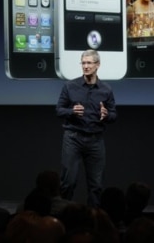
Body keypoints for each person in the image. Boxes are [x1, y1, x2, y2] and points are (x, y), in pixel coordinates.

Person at [56, 49, 117, 207]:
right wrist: (71, 111)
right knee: (68, 183)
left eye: (89, 63)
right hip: (73, 138)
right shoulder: (70, 86)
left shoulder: (106, 90)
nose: (86, 66)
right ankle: (63, 216)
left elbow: (113, 115)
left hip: (95, 140)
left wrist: (106, 115)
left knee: (96, 186)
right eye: (83, 63)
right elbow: (59, 110)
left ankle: (94, 220)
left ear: (97, 65)